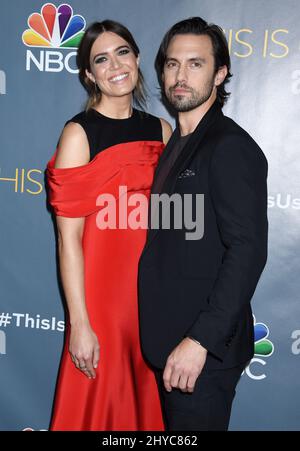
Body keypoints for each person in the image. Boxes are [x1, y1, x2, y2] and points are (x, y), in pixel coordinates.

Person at [138, 17, 268, 431]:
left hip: (201, 356)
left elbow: (247, 251)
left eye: (196, 64)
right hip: (166, 346)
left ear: (220, 73)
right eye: (172, 64)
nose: (180, 75)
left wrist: (200, 342)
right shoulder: (174, 145)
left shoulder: (229, 147)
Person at [46, 20, 172, 431]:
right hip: (101, 302)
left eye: (122, 52)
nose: (115, 65)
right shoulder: (79, 134)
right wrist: (80, 323)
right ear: (89, 74)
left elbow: (172, 224)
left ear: (136, 58)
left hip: (150, 299)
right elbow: (69, 240)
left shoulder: (162, 130)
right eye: (101, 58)